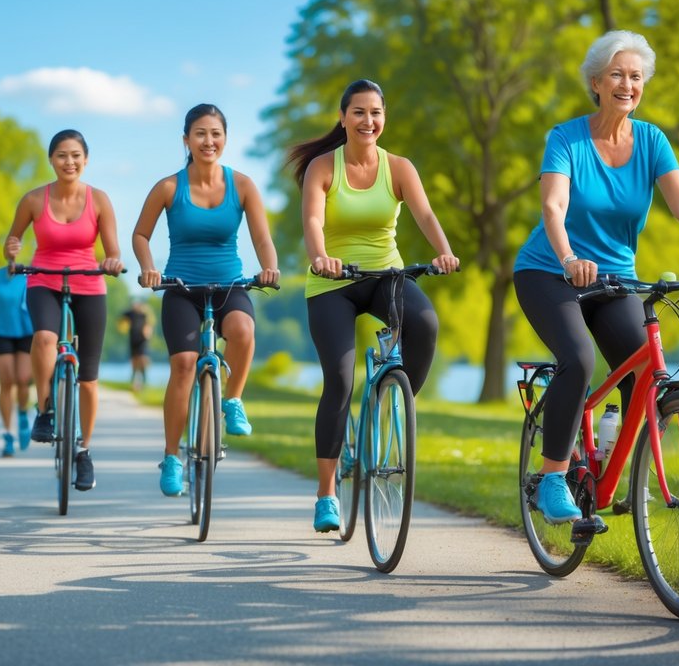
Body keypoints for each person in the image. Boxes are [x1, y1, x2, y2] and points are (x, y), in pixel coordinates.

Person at [513, 30, 679, 524]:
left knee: (645, 372)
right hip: (549, 271)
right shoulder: (566, 138)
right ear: (596, 83)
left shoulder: (651, 141)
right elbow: (554, 206)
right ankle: (553, 478)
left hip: (616, 279)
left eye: (636, 76)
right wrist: (568, 257)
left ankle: (622, 472)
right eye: (617, 75)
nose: (627, 84)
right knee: (579, 358)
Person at [285, 78, 459, 533]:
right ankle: (327, 494)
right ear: (343, 118)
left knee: (425, 323)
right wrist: (319, 257)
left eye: (375, 112)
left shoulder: (398, 167)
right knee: (340, 381)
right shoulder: (324, 167)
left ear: (384, 118)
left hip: (385, 276)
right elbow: (313, 219)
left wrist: (443, 251)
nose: (368, 120)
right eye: (359, 112)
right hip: (333, 282)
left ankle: (393, 402)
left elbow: (425, 214)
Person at [132, 103, 280, 497]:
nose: (208, 141)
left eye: (215, 133)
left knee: (243, 330)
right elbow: (140, 235)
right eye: (200, 133)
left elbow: (262, 238)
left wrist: (270, 267)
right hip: (181, 288)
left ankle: (233, 401)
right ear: (186, 140)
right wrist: (148, 268)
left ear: (225, 139)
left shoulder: (243, 185)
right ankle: (171, 457)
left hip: (229, 284)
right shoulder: (169, 187)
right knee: (183, 365)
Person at [4, 129, 123, 492]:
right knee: (44, 338)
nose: (69, 162)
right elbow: (12, 241)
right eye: (61, 155)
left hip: (88, 282)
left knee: (88, 377)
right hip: (43, 279)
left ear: (85, 160)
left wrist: (112, 262)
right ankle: (45, 410)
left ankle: (84, 451)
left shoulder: (99, 200)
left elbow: (113, 251)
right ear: (51, 160)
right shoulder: (33, 200)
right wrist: (12, 252)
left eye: (75, 155)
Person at [0, 264, 33, 456]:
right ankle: (8, 434)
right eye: (10, 249)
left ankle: (23, 413)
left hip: (26, 331)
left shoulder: (29, 275)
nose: (13, 252)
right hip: (0, 332)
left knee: (23, 379)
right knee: (6, 381)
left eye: (16, 249)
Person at [119, 298, 153, 391]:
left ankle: (144, 383)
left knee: (143, 361)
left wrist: (147, 333)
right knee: (134, 363)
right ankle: (133, 383)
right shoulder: (130, 314)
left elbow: (149, 325)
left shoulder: (144, 315)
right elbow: (121, 316)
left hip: (142, 341)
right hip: (133, 341)